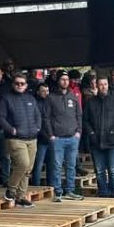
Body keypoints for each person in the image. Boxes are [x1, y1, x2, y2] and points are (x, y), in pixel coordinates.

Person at [0, 74, 42, 207]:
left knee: (28, 169)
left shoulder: (30, 98)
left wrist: (37, 128)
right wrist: (11, 130)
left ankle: (21, 197)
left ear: (26, 85)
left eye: (22, 83)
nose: (20, 85)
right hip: (15, 139)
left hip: (32, 138)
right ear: (13, 84)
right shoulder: (6, 99)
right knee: (23, 164)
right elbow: (0, 117)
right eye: (17, 83)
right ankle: (11, 190)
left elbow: (38, 115)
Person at [84, 76, 114, 198]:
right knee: (99, 170)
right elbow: (85, 120)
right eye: (101, 84)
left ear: (108, 85)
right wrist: (91, 133)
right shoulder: (90, 102)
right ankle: (103, 192)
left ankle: (113, 192)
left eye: (105, 84)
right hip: (96, 142)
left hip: (112, 141)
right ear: (96, 86)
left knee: (113, 170)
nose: (103, 86)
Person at [46, 72, 83, 201]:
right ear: (58, 81)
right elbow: (46, 118)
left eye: (67, 79)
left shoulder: (73, 96)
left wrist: (78, 131)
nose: (65, 82)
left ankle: (70, 191)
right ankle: (57, 192)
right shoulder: (51, 98)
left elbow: (79, 115)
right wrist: (51, 135)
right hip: (58, 138)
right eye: (62, 79)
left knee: (71, 165)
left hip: (73, 137)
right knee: (56, 166)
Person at [32, 83, 54, 187]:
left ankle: (51, 186)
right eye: (43, 91)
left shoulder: (51, 103)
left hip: (51, 137)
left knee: (52, 165)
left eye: (47, 91)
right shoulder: (35, 104)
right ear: (38, 92)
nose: (46, 93)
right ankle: (36, 186)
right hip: (40, 139)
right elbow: (36, 123)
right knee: (38, 165)